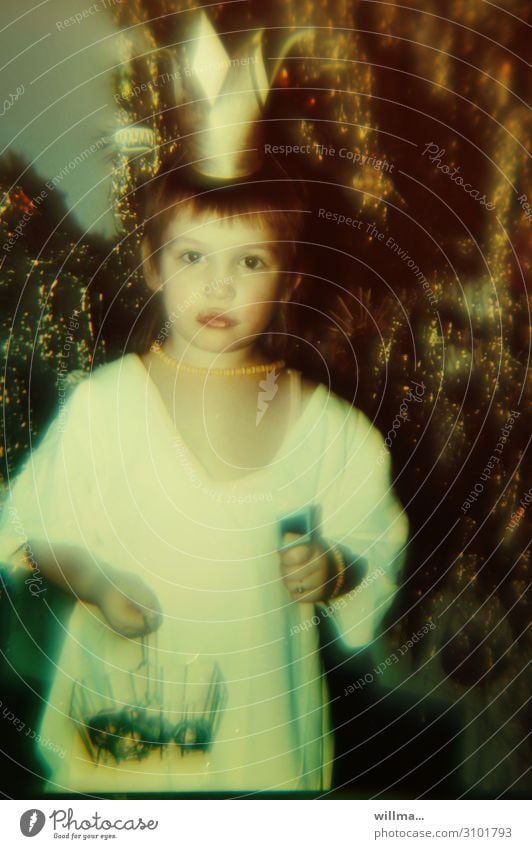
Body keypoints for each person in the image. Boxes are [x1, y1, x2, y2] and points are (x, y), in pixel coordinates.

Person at [0, 152, 408, 794]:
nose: (219, 287)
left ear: (288, 278)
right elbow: (32, 528)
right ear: (152, 265)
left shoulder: (326, 430)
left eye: (249, 262)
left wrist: (335, 569)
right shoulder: (106, 406)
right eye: (193, 258)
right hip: (119, 753)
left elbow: (373, 544)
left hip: (262, 749)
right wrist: (91, 578)